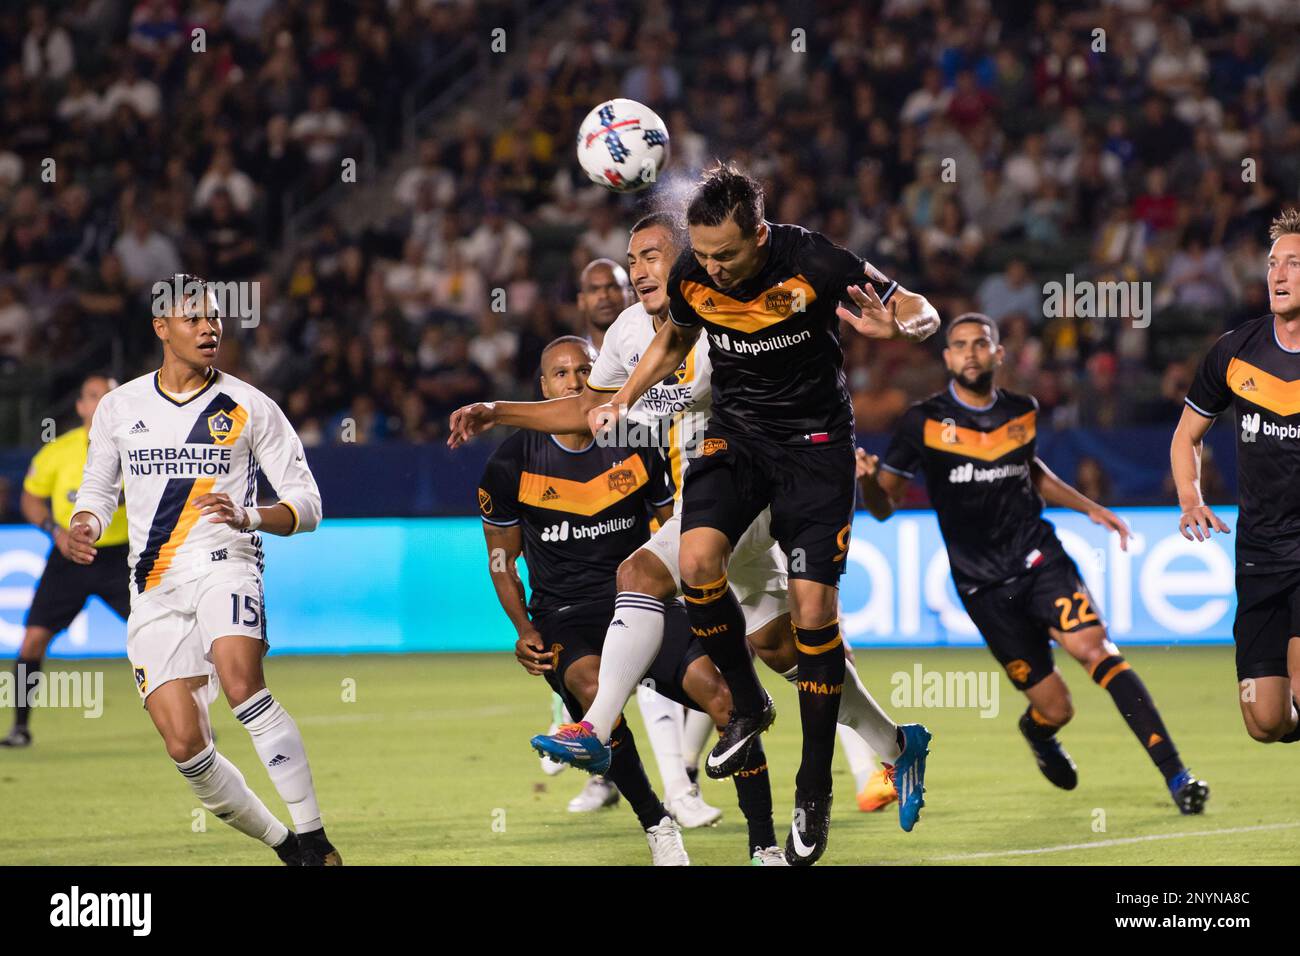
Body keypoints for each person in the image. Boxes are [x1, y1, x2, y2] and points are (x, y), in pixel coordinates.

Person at [860, 313, 1208, 812]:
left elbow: (1032, 471)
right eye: (960, 345)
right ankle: (1040, 735)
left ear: (999, 354)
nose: (971, 352)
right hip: (983, 586)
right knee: (1055, 707)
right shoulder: (923, 421)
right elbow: (884, 506)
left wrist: (1090, 507)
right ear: (947, 358)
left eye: (981, 343)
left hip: (1039, 557)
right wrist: (869, 482)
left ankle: (1179, 776)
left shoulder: (1023, 410)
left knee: (1096, 649)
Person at [66, 275, 339, 865]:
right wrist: (86, 522)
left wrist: (252, 515)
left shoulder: (250, 406)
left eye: (215, 319)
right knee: (185, 744)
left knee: (243, 684)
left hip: (226, 562)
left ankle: (316, 836)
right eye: (193, 319)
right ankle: (288, 847)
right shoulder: (120, 407)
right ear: (161, 328)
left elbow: (309, 504)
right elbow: (97, 487)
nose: (210, 328)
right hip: (154, 585)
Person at [480, 335, 782, 864]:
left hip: (644, 602)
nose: (574, 382)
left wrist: (700, 595)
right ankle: (657, 824)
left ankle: (764, 844)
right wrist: (524, 628)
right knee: (597, 694)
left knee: (729, 699)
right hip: (565, 617)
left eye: (584, 370)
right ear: (543, 386)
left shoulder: (637, 439)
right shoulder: (509, 464)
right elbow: (502, 560)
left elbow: (674, 528)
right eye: (560, 374)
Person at [1172, 209, 1300, 748]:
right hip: (1258, 555)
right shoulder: (1233, 352)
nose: (1279, 274)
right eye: (1273, 263)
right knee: (1266, 723)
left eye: (1294, 263)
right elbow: (1186, 437)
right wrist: (1190, 497)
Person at [3, 375, 128, 748]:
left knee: (163, 638)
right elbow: (30, 498)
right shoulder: (58, 450)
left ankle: (193, 728)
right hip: (68, 556)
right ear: (80, 406)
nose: (100, 402)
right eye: (93, 396)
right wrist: (55, 531)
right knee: (32, 641)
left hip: (122, 557)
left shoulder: (137, 449)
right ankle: (20, 728)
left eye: (108, 395)